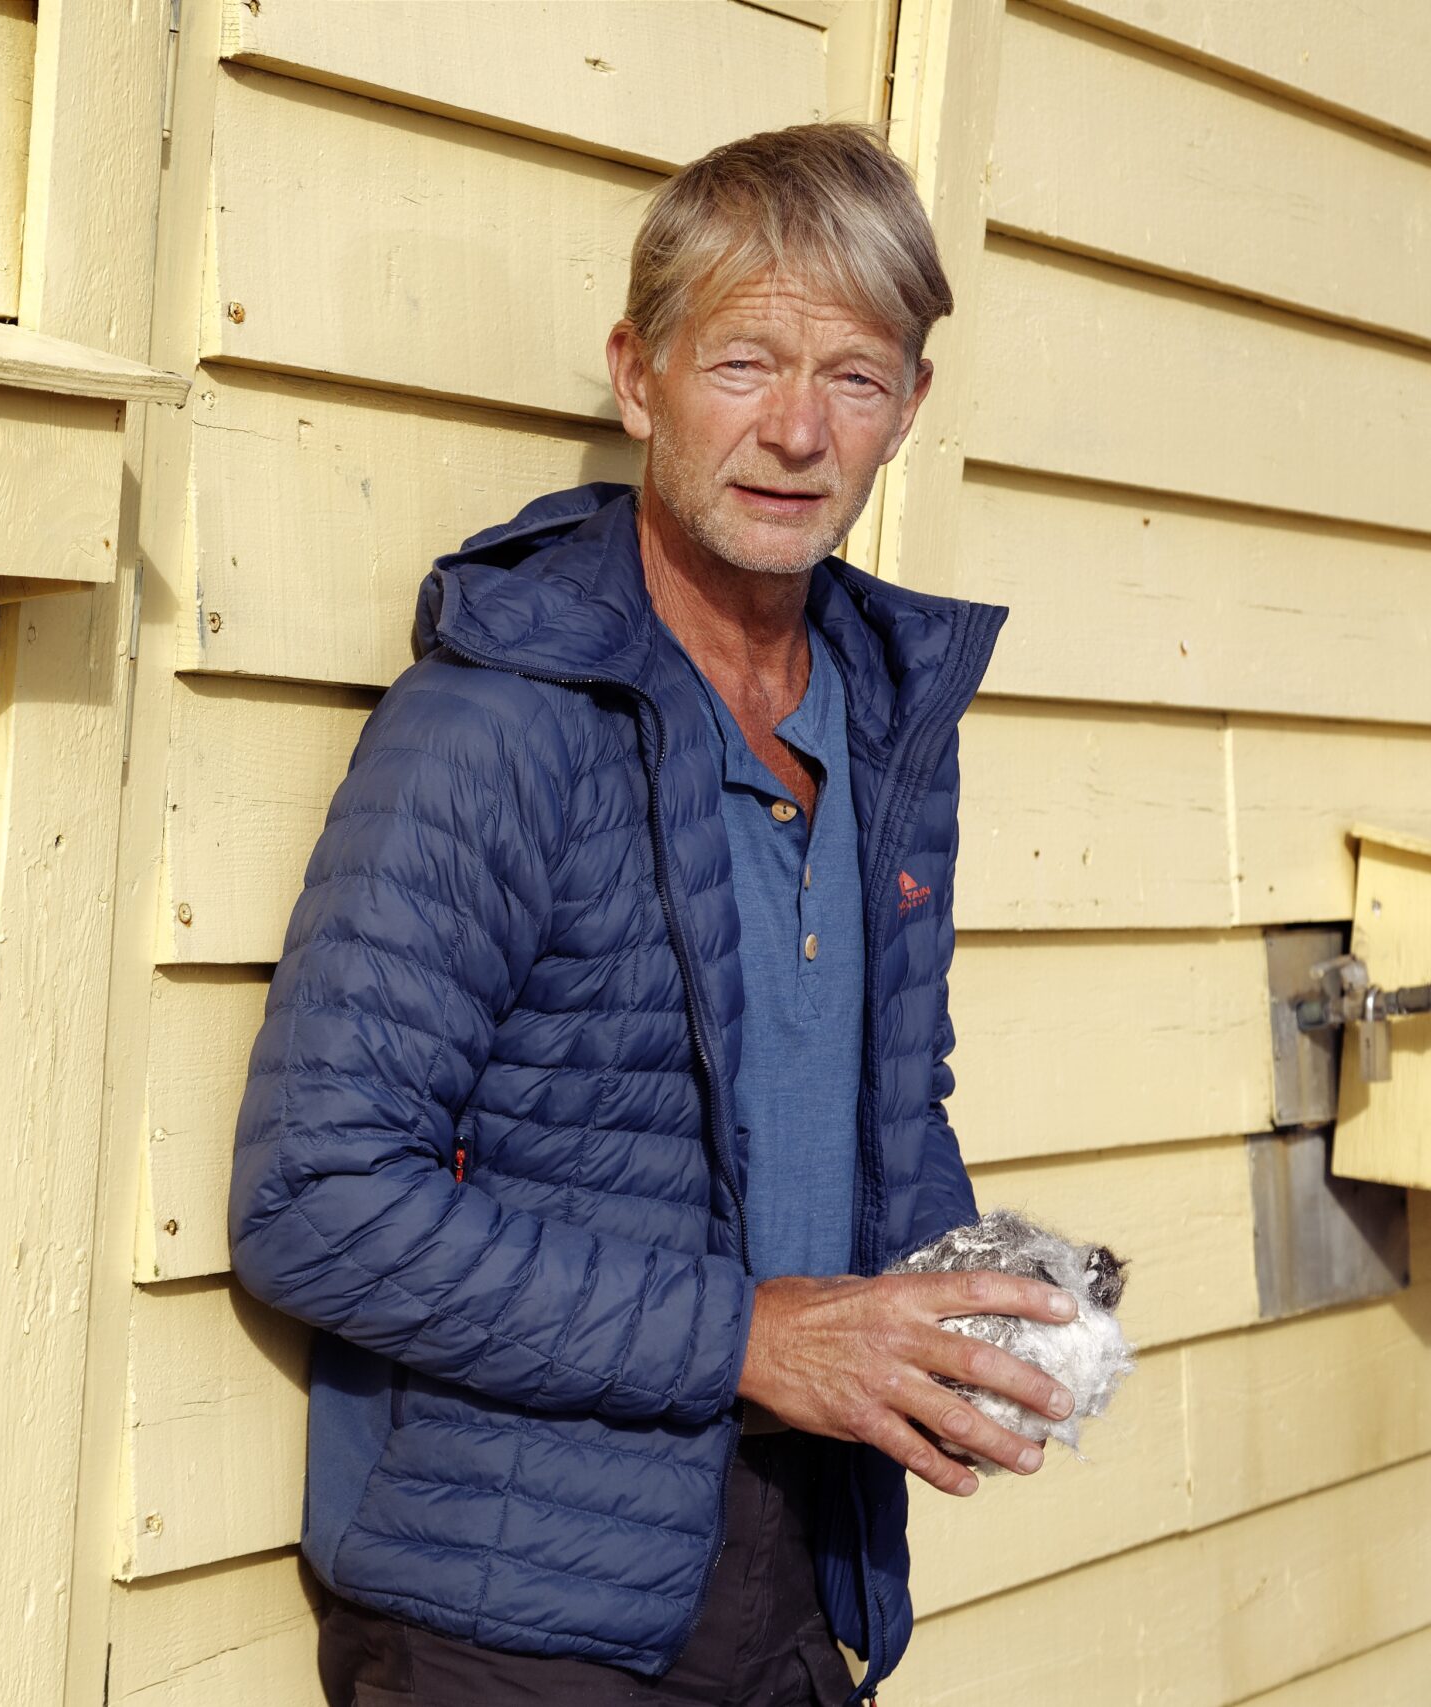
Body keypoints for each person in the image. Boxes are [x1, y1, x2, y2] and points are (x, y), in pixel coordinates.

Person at [227, 123, 1082, 1707]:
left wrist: (982, 1295)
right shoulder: (499, 725)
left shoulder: (890, 723)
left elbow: (869, 1094)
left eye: (854, 376)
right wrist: (751, 1340)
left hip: (800, 1555)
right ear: (640, 377)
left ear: (911, 407)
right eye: (744, 360)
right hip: (517, 1606)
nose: (796, 431)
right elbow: (317, 1198)